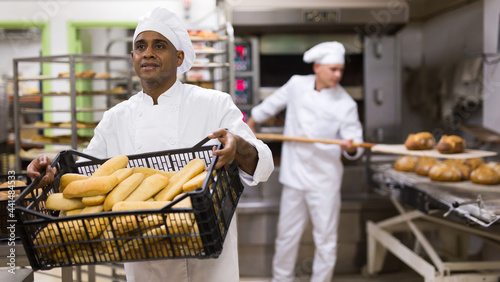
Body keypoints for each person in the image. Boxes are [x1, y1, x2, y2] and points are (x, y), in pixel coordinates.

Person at [27, 7, 274, 282]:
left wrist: (238, 145)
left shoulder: (214, 104)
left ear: (179, 57)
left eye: (160, 45)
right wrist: (52, 175)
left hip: (209, 267)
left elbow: (263, 163)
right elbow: (87, 176)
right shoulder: (115, 118)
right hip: (145, 266)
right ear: (133, 57)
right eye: (140, 46)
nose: (148, 53)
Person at [246, 41, 364, 282]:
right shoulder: (297, 85)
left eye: (340, 69)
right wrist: (251, 123)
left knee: (326, 239)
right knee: (287, 234)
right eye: (333, 69)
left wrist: (351, 147)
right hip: (295, 175)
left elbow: (356, 144)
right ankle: (282, 279)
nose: (338, 75)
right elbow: (271, 104)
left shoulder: (346, 104)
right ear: (318, 67)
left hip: (325, 180)